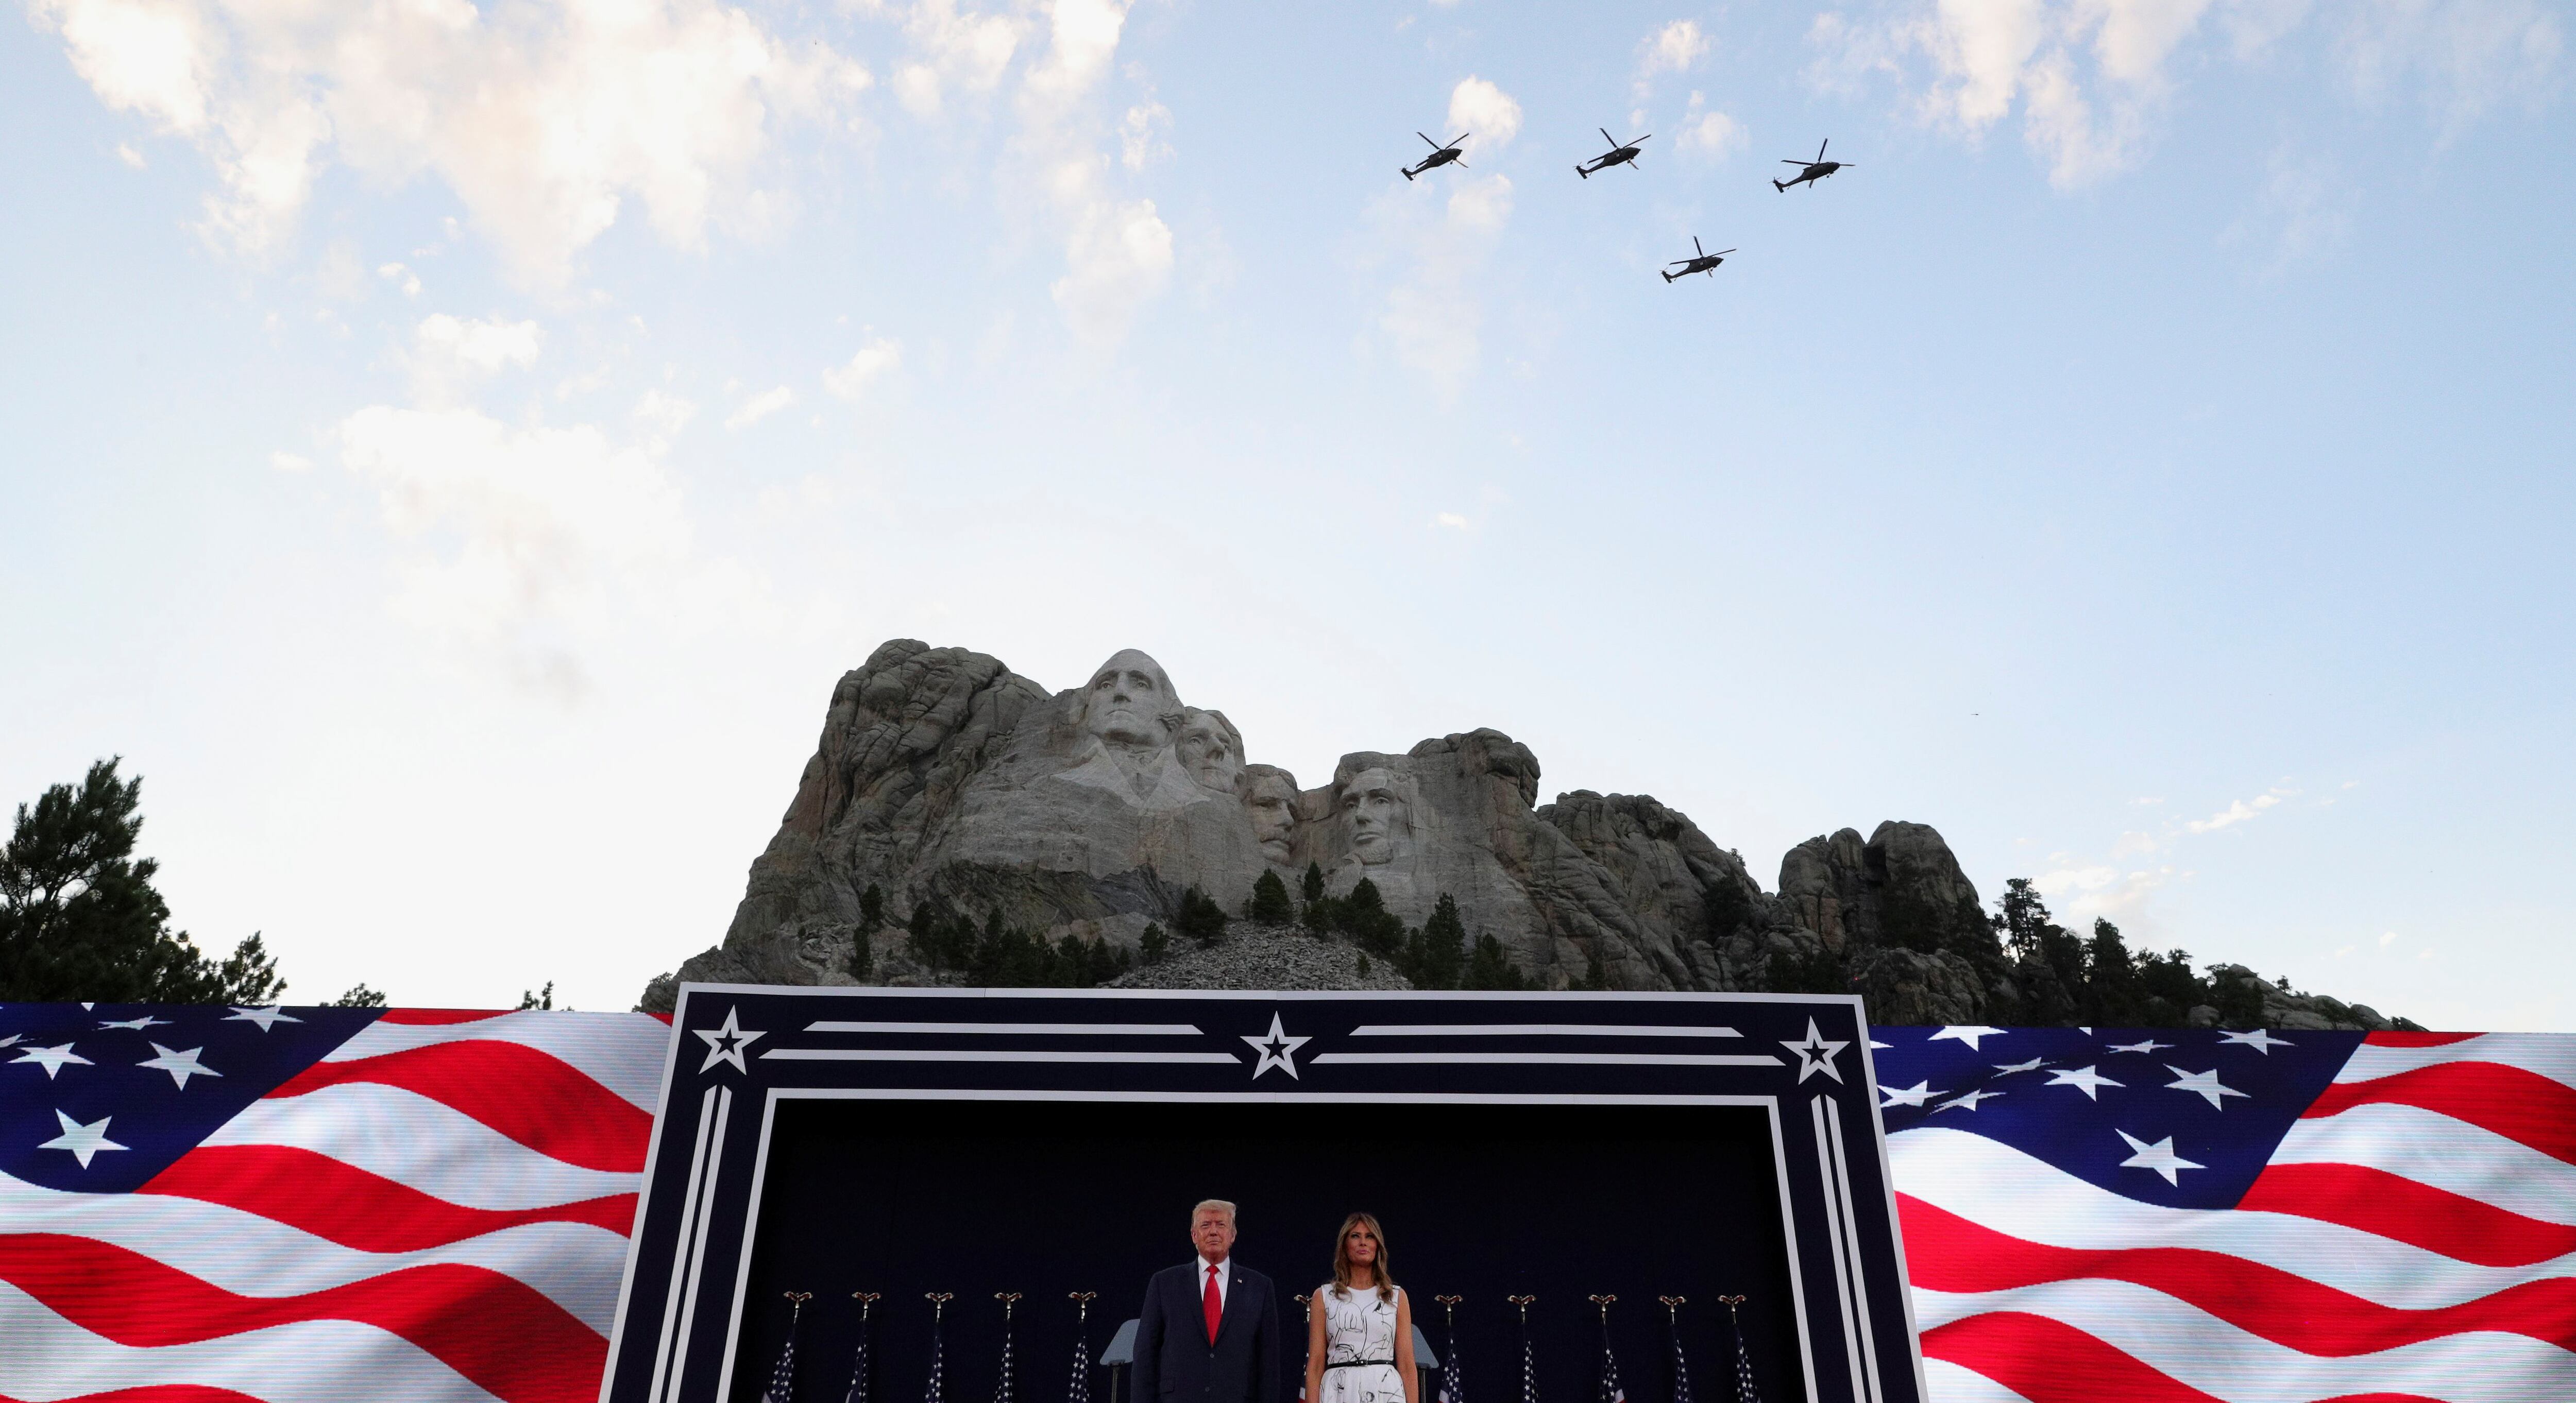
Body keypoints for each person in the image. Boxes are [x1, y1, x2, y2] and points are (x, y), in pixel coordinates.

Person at [1134, 1200, 1283, 1403]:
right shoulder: (1164, 1284)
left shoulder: (1260, 1287)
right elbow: (1145, 1356)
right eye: (1206, 1225)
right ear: (1194, 1235)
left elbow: (1269, 1364)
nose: (1213, 1232)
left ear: (1233, 1235)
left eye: (1221, 1225)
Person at [1304, 1213, 1415, 1403]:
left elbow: (1406, 1363)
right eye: (1355, 1236)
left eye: (1370, 1236)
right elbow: (1315, 1364)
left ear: (1377, 1245)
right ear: (1344, 1245)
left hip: (1385, 1389)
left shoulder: (1396, 1296)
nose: (1363, 1242)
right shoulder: (1324, 1296)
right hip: (1338, 1390)